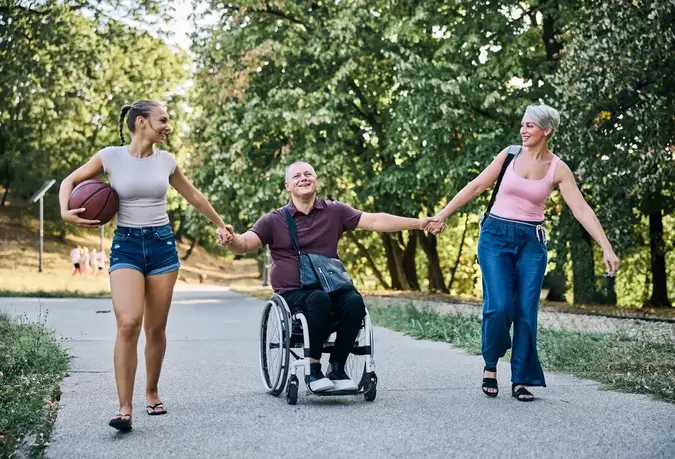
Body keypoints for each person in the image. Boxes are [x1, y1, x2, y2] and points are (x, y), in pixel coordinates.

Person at [59, 100, 233, 431]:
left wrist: (221, 225)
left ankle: (151, 391)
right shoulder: (111, 157)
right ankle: (124, 409)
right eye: (163, 120)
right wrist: (64, 210)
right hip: (126, 246)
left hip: (162, 247)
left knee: (155, 328)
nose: (168, 126)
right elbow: (70, 181)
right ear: (142, 122)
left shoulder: (166, 161)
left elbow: (194, 196)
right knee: (128, 323)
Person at [426, 104, 620, 402]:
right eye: (522, 124)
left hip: (532, 242)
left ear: (546, 130)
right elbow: (477, 186)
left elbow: (580, 208)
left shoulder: (558, 168)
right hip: (495, 237)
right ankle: (491, 363)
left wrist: (606, 246)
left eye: (530, 125)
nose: (523, 130)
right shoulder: (509, 155)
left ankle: (521, 378)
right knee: (500, 306)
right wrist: (443, 214)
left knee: (526, 313)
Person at [218, 161, 435, 392]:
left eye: (308, 174)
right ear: (288, 185)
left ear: (316, 181)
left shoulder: (335, 211)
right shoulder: (274, 220)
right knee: (317, 299)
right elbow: (244, 244)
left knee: (354, 302)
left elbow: (374, 220)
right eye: (297, 176)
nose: (304, 178)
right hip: (294, 293)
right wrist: (231, 240)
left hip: (332, 287)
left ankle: (337, 367)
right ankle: (313, 370)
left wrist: (420, 223)